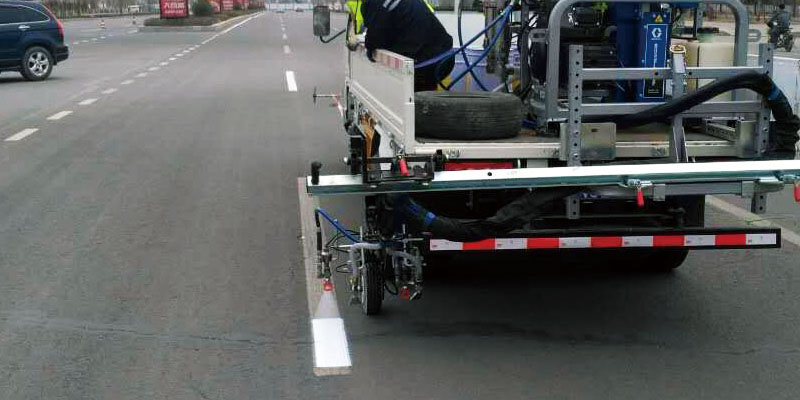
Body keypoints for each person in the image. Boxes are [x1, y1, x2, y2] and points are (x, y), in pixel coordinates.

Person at [347, 0, 455, 91]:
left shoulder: (375, 3)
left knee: (399, 93)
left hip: (426, 65)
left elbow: (374, 41)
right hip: (446, 56)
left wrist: (369, 49)